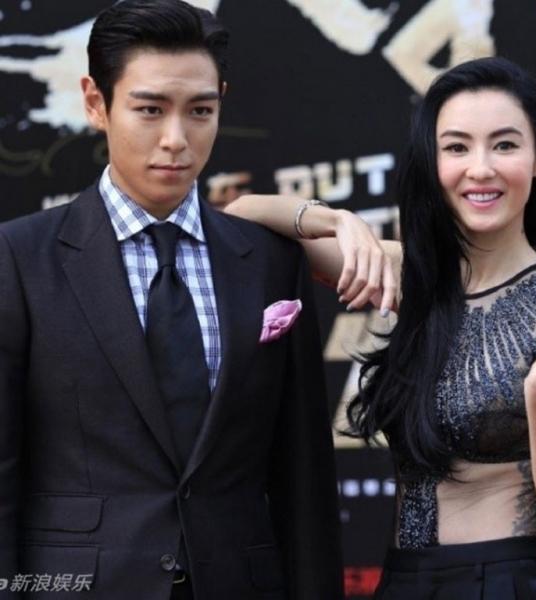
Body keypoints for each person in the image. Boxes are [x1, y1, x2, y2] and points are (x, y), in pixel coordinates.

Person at [227, 56, 536, 598]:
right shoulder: (406, 277)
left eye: (504, 145)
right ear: (431, 162)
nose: (480, 169)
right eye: (457, 148)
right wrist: (336, 220)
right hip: (402, 581)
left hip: (504, 583)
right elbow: (237, 219)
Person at [0, 1, 344, 599]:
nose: (176, 139)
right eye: (150, 109)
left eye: (200, 111)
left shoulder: (269, 261)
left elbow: (303, 477)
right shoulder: (19, 258)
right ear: (96, 103)